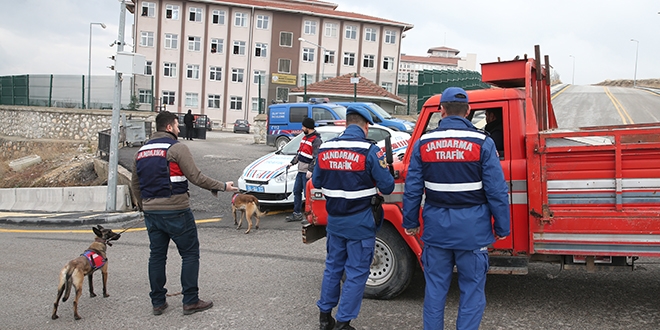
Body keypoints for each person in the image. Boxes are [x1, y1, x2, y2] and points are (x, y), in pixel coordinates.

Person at [402, 87, 510, 330]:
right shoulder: (483, 142)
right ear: (468, 111)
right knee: (472, 291)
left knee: (435, 290)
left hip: (436, 231)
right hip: (473, 232)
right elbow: (496, 191)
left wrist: (410, 222)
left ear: (441, 110)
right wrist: (502, 226)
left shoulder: (423, 143)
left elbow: (412, 189)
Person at [130, 111, 238, 316]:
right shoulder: (177, 148)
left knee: (157, 256)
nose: (180, 129)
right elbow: (195, 177)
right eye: (177, 126)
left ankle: (158, 302)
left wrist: (145, 207)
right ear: (169, 127)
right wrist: (223, 186)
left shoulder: (141, 152)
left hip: (152, 212)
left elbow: (136, 184)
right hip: (176, 210)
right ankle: (190, 300)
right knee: (189, 253)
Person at [312, 106, 395, 330]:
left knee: (333, 268)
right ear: (365, 126)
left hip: (335, 221)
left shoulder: (326, 148)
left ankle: (324, 317)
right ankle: (343, 323)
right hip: (360, 222)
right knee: (357, 272)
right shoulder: (370, 150)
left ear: (347, 123)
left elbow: (317, 182)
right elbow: (387, 186)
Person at [285, 117, 322, 224]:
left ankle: (310, 216)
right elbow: (300, 153)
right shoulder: (304, 138)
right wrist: (292, 162)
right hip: (300, 171)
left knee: (308, 195)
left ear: (308, 127)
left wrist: (311, 170)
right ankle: (297, 213)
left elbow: (316, 157)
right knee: (297, 191)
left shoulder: (316, 140)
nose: (302, 129)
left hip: (307, 173)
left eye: (303, 127)